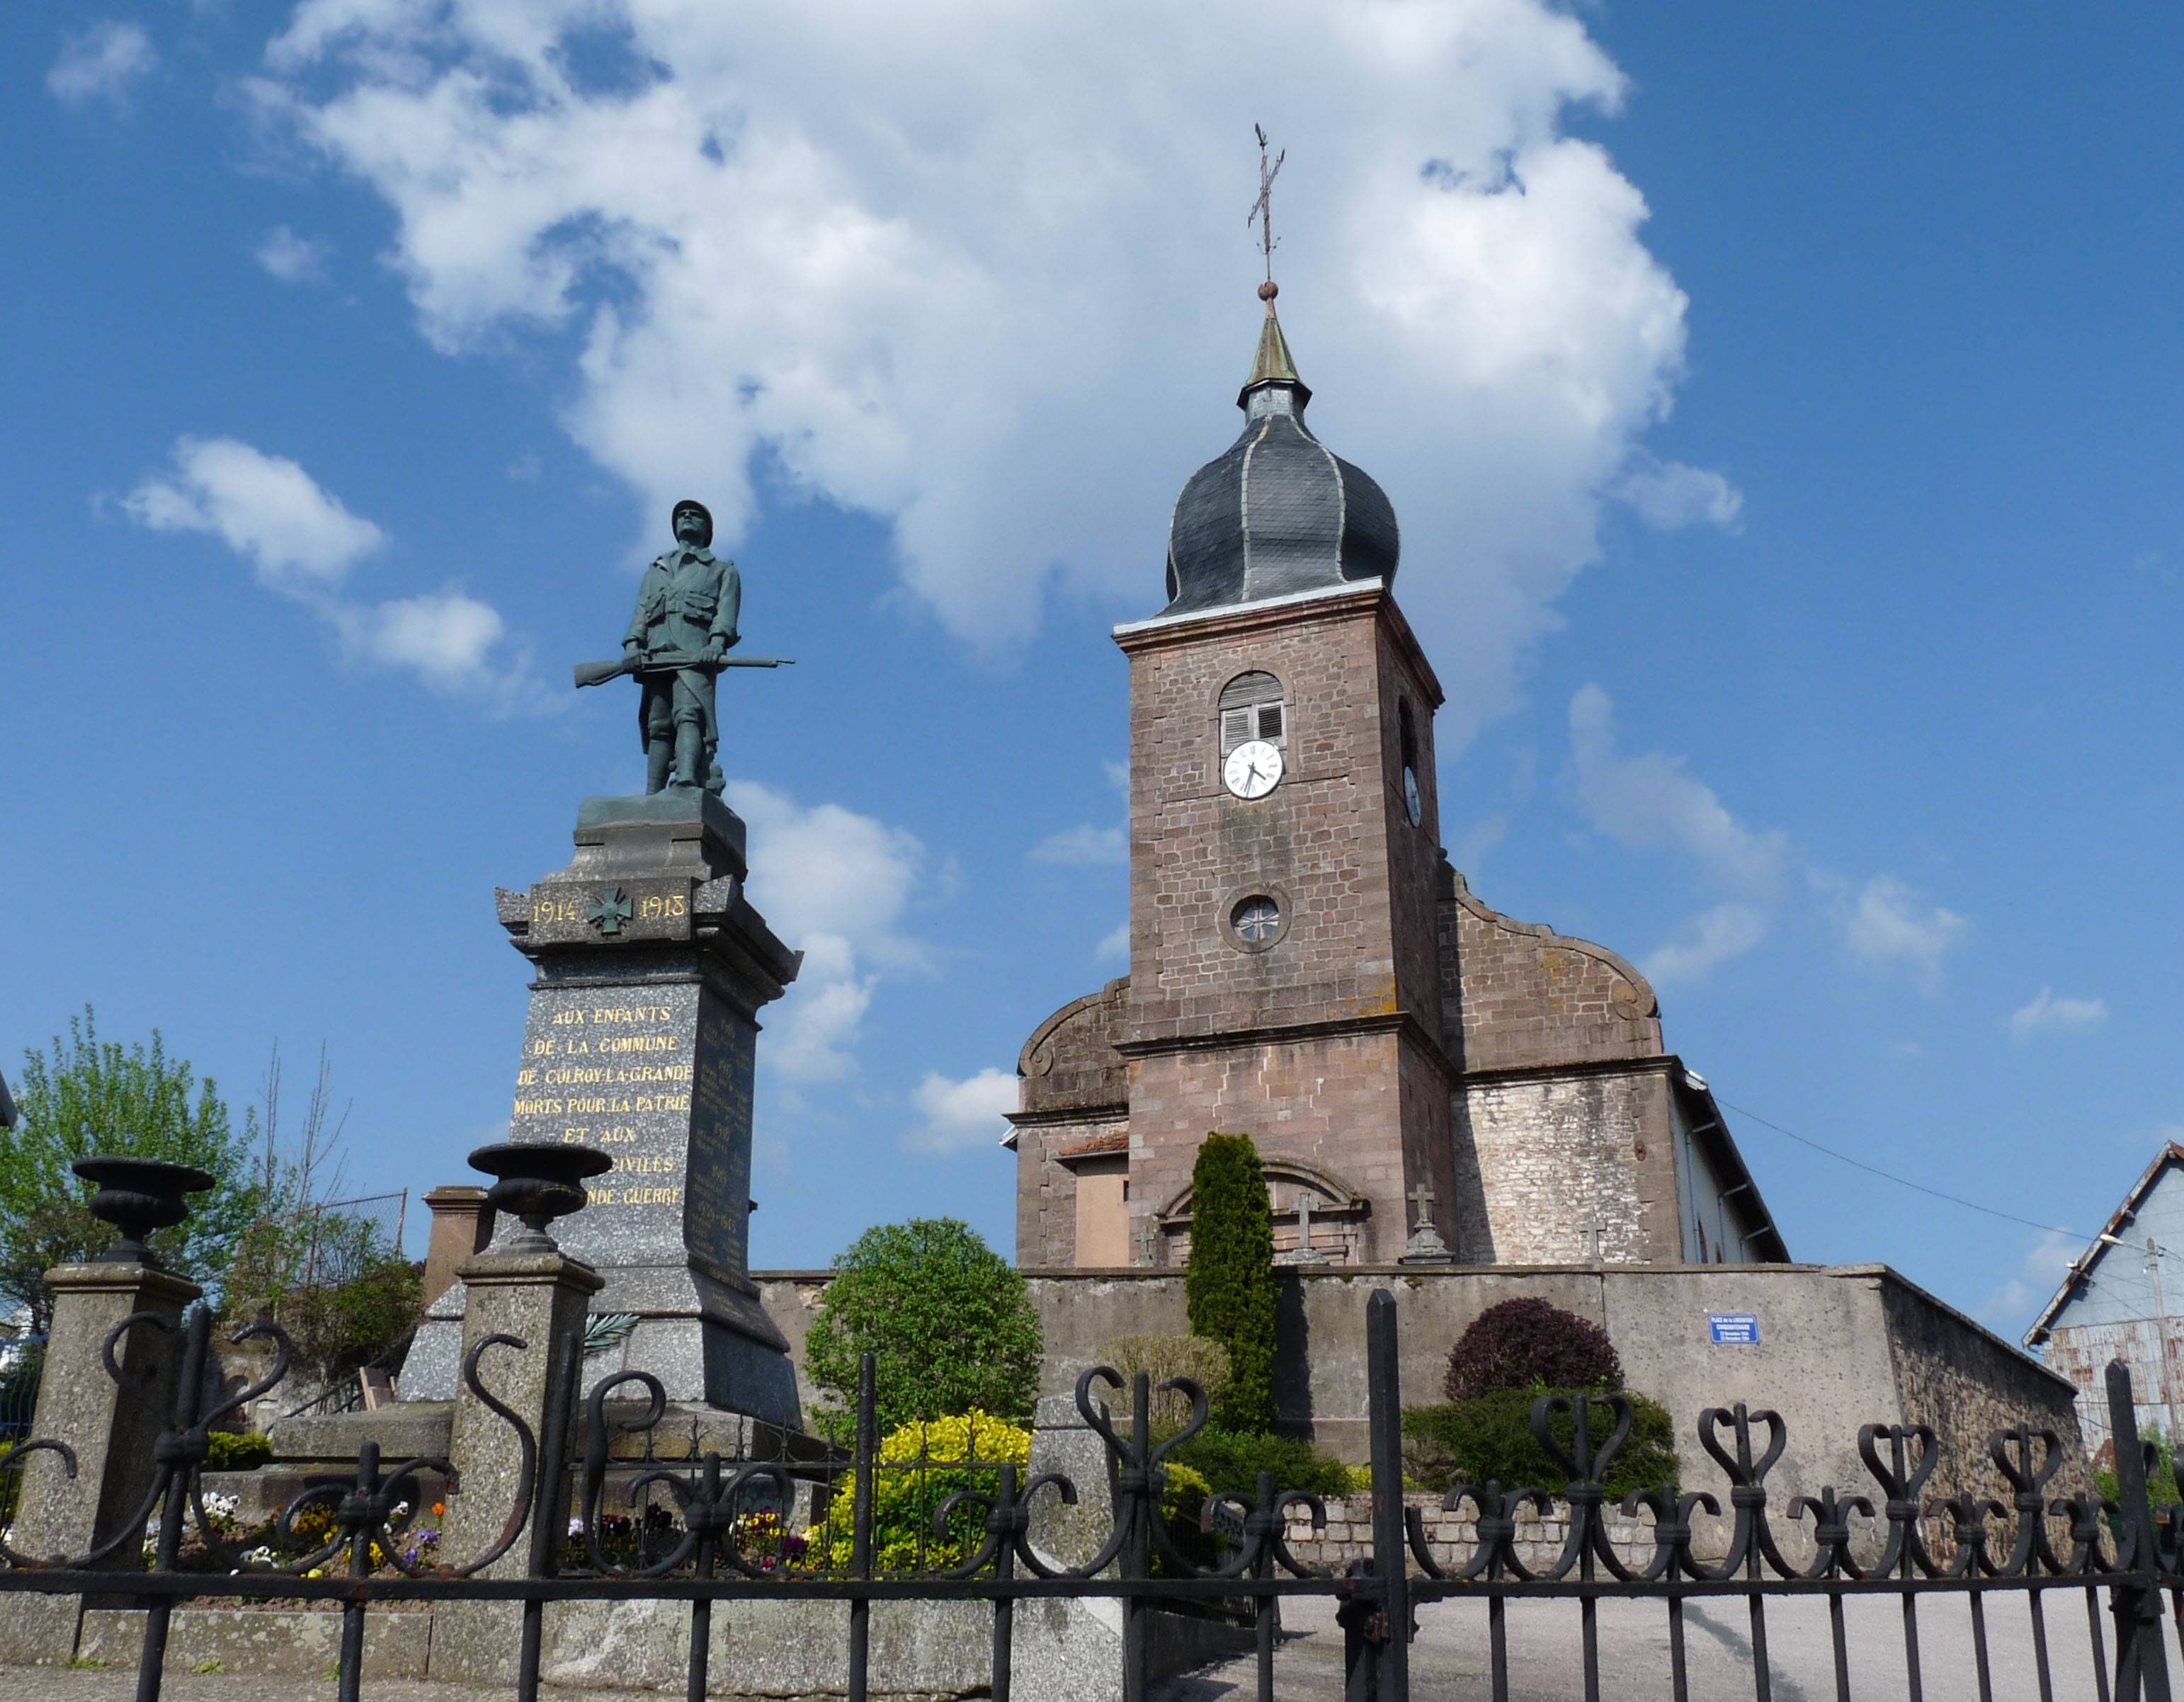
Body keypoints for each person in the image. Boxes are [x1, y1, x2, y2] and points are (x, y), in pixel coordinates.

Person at [623, 500, 739, 794]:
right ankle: (653, 792)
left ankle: (687, 778)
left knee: (688, 714)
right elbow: (641, 612)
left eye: (695, 515)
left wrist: (716, 643)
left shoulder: (721, 570)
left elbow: (725, 611)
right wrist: (633, 645)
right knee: (658, 725)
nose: (687, 517)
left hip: (694, 652)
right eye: (682, 514)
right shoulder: (657, 570)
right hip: (657, 652)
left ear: (707, 530)